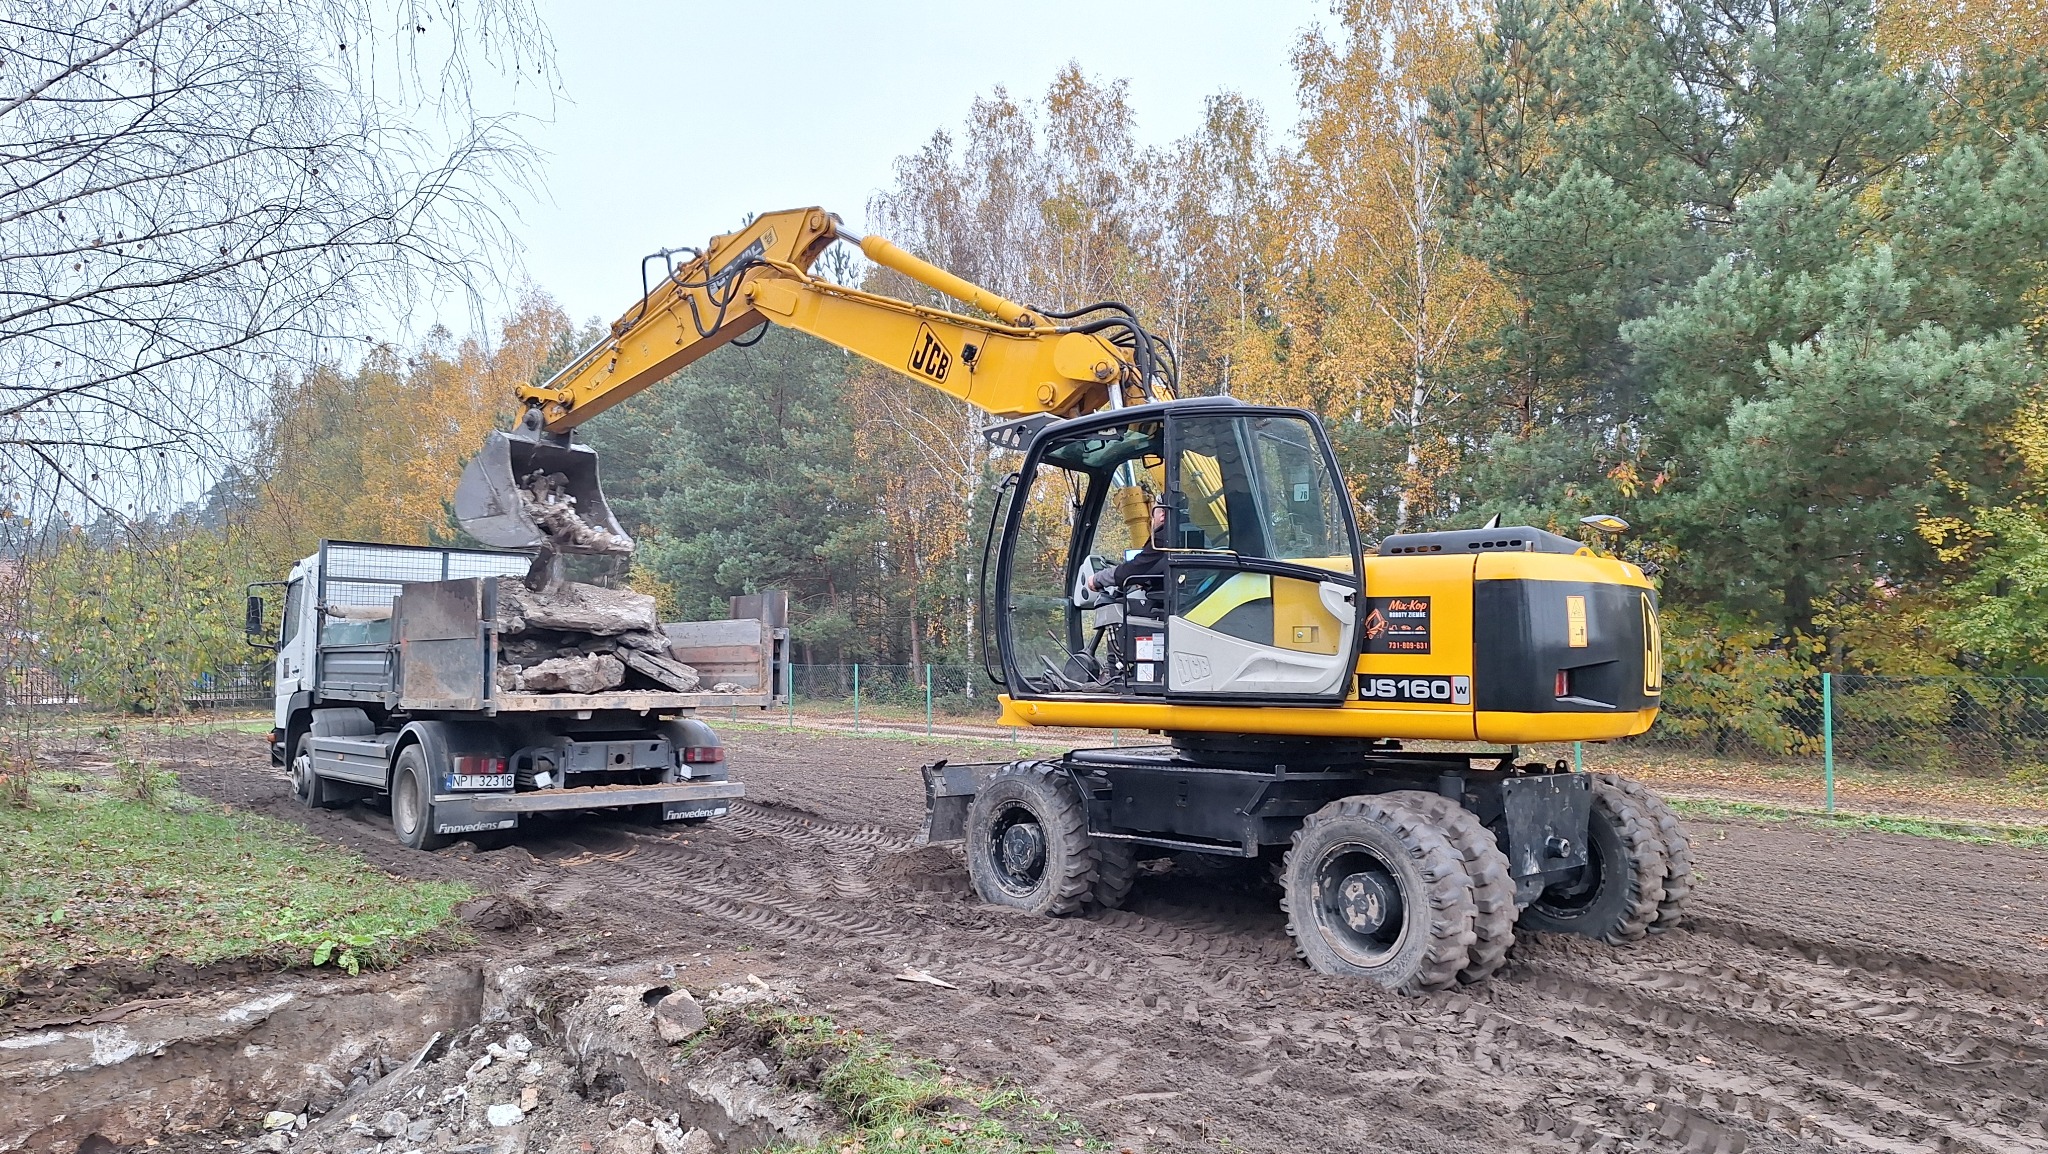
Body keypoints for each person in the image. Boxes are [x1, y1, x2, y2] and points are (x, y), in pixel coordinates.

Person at [1089, 503, 1170, 593]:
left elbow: (1136, 569)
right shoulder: (1182, 535)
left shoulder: (1164, 538)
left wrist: (1098, 578)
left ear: (1163, 515)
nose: (1152, 520)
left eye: (1153, 515)